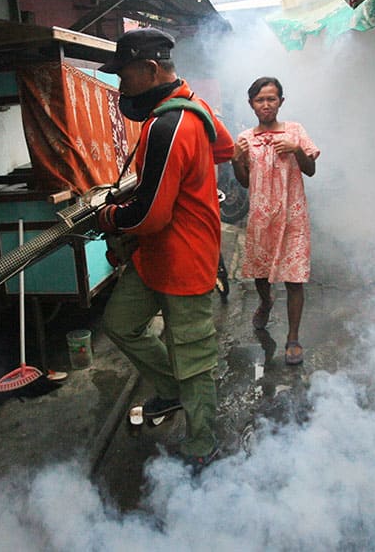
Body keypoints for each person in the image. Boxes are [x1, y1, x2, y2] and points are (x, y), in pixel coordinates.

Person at [95, 27, 234, 473]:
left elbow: (148, 217)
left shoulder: (168, 123)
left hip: (185, 258)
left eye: (125, 75)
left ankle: (202, 442)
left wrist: (109, 216)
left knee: (192, 355)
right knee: (121, 324)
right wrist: (175, 178)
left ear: (150, 69)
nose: (122, 86)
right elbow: (225, 147)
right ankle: (170, 390)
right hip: (154, 258)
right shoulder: (195, 106)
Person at [232, 77, 319, 366]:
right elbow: (244, 183)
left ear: (281, 101)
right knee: (260, 273)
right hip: (260, 218)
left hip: (292, 217)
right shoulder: (245, 138)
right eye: (260, 100)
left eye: (271, 99)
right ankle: (266, 302)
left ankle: (293, 338)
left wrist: (295, 149)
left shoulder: (295, 131)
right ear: (251, 104)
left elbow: (311, 171)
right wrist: (236, 160)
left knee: (294, 279)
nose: (266, 104)